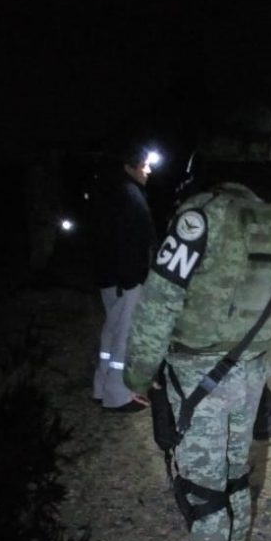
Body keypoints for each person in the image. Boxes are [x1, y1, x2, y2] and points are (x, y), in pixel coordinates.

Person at [123, 104, 271, 541]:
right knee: (233, 481)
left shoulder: (200, 215)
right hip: (249, 373)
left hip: (197, 376)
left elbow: (158, 305)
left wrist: (138, 374)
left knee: (202, 497)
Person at [91, 146, 158, 412]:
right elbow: (131, 241)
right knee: (125, 337)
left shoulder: (107, 190)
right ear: (128, 166)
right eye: (144, 165)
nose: (149, 170)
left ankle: (102, 386)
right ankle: (119, 395)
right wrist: (132, 280)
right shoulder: (128, 195)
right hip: (126, 280)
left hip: (109, 277)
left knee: (111, 334)